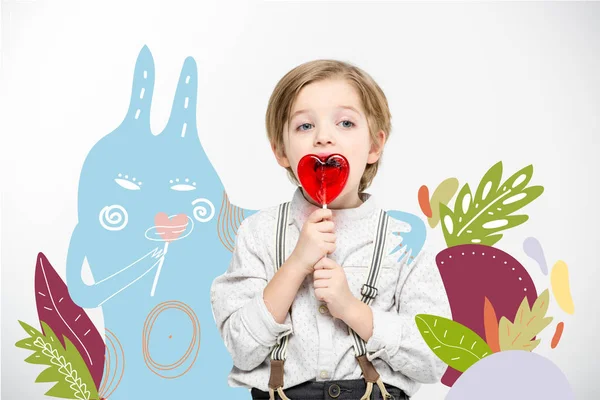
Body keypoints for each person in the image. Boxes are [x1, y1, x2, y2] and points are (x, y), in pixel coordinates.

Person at [210, 60, 451, 400]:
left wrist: (351, 308)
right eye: (305, 126)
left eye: (346, 122)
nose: (324, 137)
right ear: (281, 150)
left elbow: (433, 359)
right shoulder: (258, 234)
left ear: (374, 146)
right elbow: (242, 348)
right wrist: (295, 265)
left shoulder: (403, 241)